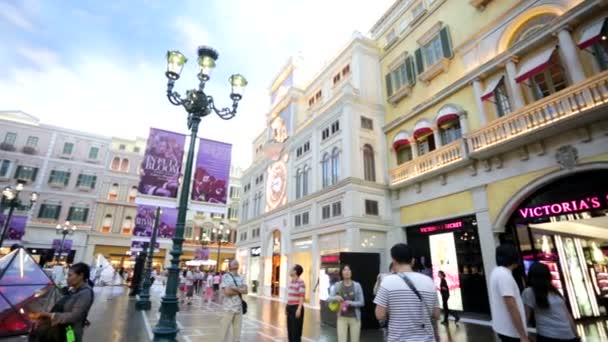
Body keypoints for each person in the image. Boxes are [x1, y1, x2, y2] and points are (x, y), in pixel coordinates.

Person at [374, 243, 440, 342]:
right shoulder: (429, 281)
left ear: (394, 260)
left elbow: (380, 315)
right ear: (412, 261)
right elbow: (436, 314)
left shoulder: (387, 281)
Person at [29, 263, 95, 342]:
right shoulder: (73, 290)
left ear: (81, 276)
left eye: (70, 275)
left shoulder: (85, 293)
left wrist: (50, 315)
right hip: (62, 330)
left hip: (70, 332)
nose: (67, 278)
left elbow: (74, 316)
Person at [522, 263, 579, 342]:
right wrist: (576, 334)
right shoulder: (555, 293)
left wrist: (525, 336)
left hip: (547, 336)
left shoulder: (529, 292)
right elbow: (567, 316)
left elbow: (525, 317)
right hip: (568, 335)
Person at [489, 244, 529, 342]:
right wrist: (523, 335)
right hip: (511, 332)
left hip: (504, 329)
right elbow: (511, 306)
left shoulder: (497, 272)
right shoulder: (504, 275)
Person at [328, 264, 364, 342]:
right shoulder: (337, 285)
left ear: (351, 272)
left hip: (355, 318)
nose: (347, 272)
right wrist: (336, 298)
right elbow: (329, 299)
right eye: (344, 270)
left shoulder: (357, 285)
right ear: (342, 272)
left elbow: (362, 302)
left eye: (348, 270)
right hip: (341, 318)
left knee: (355, 340)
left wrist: (350, 303)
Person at [220, 260, 247, 342]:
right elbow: (227, 292)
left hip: (239, 308)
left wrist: (234, 288)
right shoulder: (226, 276)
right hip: (228, 308)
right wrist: (240, 289)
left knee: (237, 334)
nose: (236, 263)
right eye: (234, 262)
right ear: (230, 266)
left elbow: (246, 291)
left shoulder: (241, 277)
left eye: (237, 262)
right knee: (223, 332)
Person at [286, 264, 306, 342]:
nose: (290, 270)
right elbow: (290, 296)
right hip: (290, 307)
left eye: (291, 269)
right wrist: (286, 306)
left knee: (296, 332)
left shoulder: (301, 282)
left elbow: (302, 296)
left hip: (296, 308)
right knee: (290, 331)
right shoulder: (291, 281)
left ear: (295, 271)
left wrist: (299, 309)